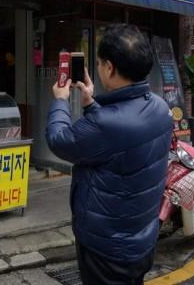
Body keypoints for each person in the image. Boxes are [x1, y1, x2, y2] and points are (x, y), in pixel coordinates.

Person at [46, 24, 172, 285]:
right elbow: (116, 143)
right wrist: (92, 104)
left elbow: (59, 141)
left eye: (101, 63)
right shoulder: (159, 107)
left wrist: (60, 100)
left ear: (110, 68)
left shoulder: (106, 125)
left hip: (107, 248)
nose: (100, 68)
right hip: (141, 238)